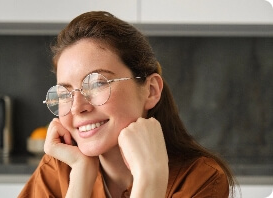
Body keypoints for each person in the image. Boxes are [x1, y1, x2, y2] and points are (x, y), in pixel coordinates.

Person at [19, 11, 236, 198]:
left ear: (150, 91)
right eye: (65, 93)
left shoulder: (201, 180)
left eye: (96, 84)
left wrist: (149, 179)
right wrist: (80, 180)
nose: (77, 107)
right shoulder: (59, 169)